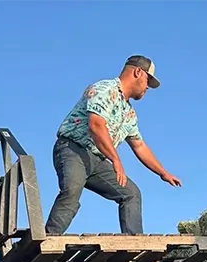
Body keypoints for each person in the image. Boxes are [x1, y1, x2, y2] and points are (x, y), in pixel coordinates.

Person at [44, 55, 182, 236]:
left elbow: (139, 146)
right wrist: (115, 159)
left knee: (131, 194)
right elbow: (96, 125)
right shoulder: (105, 89)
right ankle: (48, 239)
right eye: (148, 80)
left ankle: (135, 247)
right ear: (138, 72)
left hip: (97, 160)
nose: (148, 87)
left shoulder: (129, 112)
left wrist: (163, 172)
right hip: (73, 149)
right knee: (72, 191)